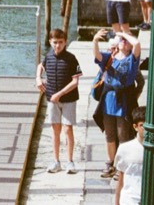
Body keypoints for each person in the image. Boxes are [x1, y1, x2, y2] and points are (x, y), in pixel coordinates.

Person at [93, 29, 141, 179]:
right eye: (120, 40)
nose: (122, 42)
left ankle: (122, 165)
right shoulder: (111, 57)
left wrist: (123, 34)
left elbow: (137, 43)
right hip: (109, 99)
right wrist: (95, 40)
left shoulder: (131, 59)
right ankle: (110, 162)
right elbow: (97, 55)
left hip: (123, 100)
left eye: (125, 41)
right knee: (110, 133)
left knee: (123, 134)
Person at [37, 27, 82, 173]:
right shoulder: (48, 57)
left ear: (65, 42)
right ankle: (56, 161)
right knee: (55, 129)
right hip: (52, 99)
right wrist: (38, 78)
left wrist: (60, 94)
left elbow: (75, 82)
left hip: (68, 99)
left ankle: (70, 161)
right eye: (55, 42)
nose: (58, 45)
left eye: (61, 42)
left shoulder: (71, 58)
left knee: (68, 129)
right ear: (50, 42)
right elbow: (40, 66)